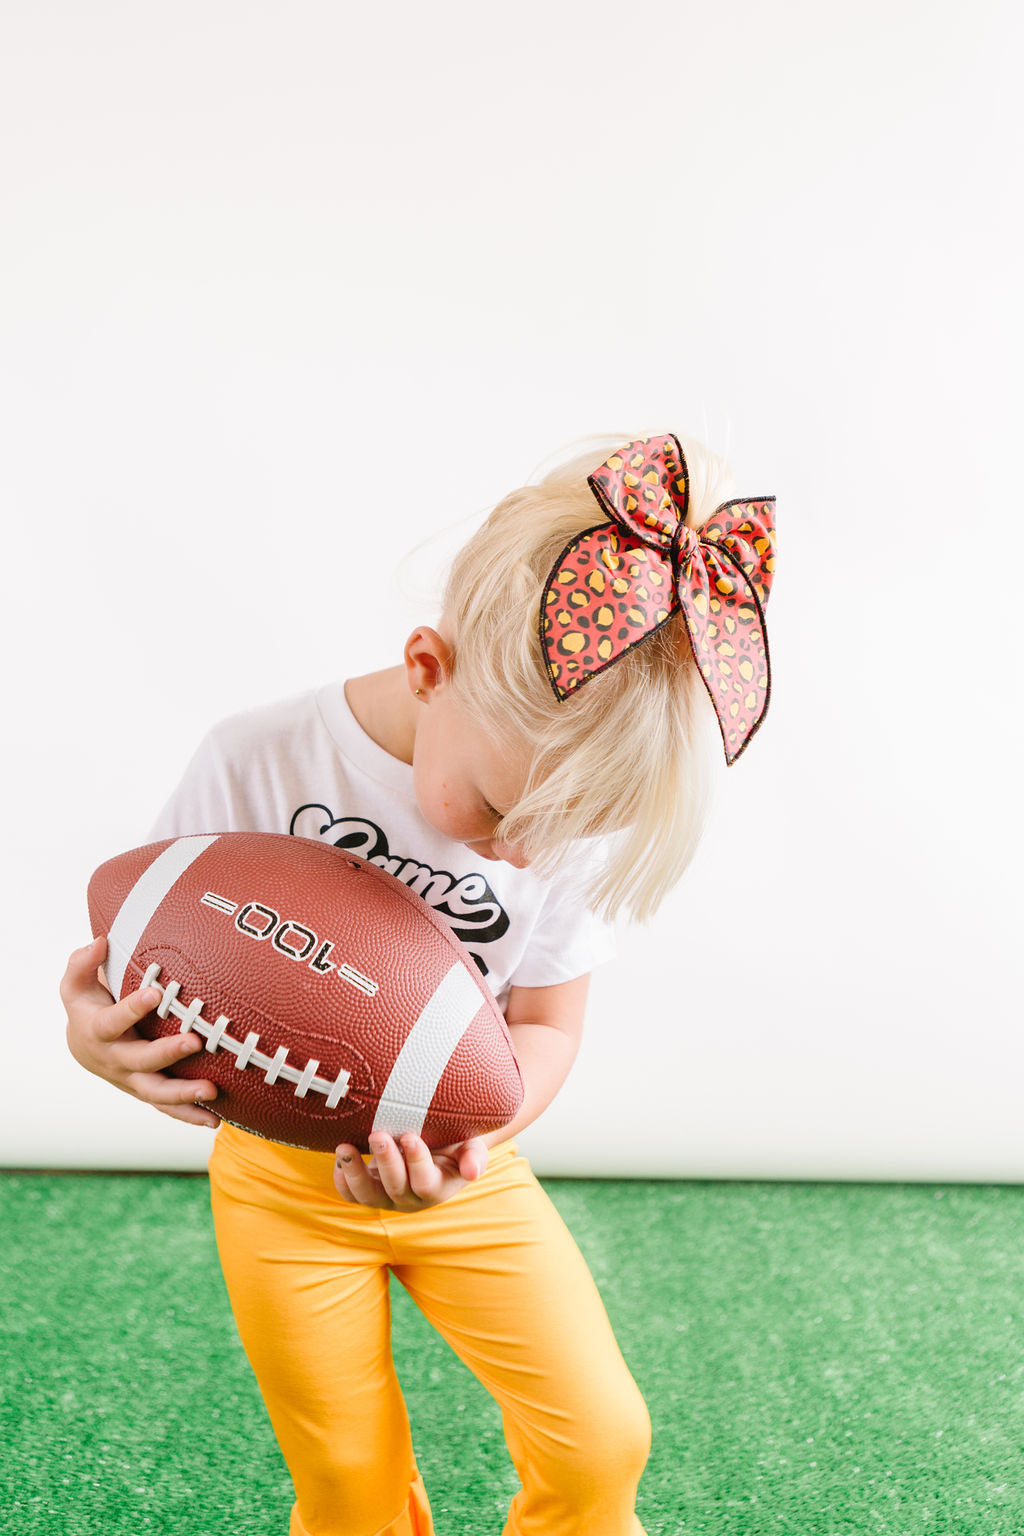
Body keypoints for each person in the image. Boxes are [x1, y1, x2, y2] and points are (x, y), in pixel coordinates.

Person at [61, 429, 776, 1536]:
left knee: (602, 1437)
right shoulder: (259, 756)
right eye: (499, 814)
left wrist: (469, 1138)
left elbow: (545, 1022)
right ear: (428, 668)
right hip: (279, 1188)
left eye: (562, 832)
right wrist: (94, 1039)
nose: (523, 859)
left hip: (468, 1179)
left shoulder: (558, 808)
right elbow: (141, 955)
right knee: (347, 1482)